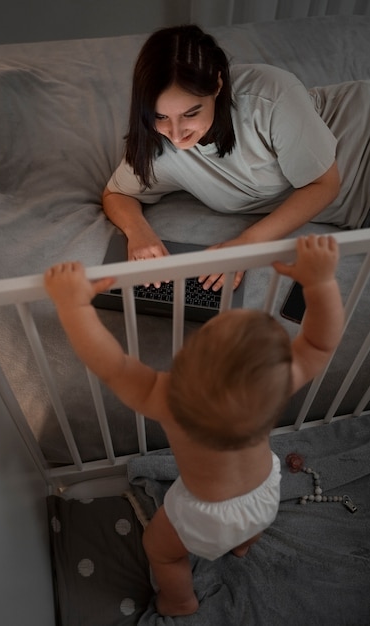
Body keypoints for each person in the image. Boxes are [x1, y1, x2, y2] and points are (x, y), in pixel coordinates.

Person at [44, 234, 344, 617]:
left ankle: (179, 600)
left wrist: (73, 307)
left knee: (162, 552)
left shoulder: (168, 398)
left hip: (205, 515)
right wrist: (320, 283)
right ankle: (243, 545)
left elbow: (111, 364)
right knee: (245, 530)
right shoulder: (279, 385)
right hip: (265, 493)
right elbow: (320, 342)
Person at [102, 24, 370, 290]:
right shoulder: (155, 144)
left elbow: (324, 183)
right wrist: (139, 234)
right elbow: (117, 194)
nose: (175, 134)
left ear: (218, 86)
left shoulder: (270, 97)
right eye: (160, 116)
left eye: (191, 113)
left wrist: (245, 245)